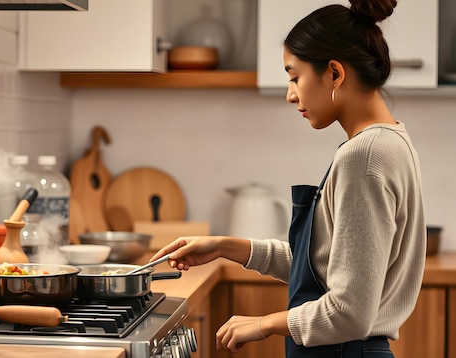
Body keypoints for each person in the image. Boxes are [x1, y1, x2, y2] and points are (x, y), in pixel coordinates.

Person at [148, 0, 426, 357]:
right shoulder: (391, 141)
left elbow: (350, 314)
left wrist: (264, 323)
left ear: (335, 74)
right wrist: (224, 247)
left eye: (295, 76)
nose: (290, 93)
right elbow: (324, 263)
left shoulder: (364, 157)